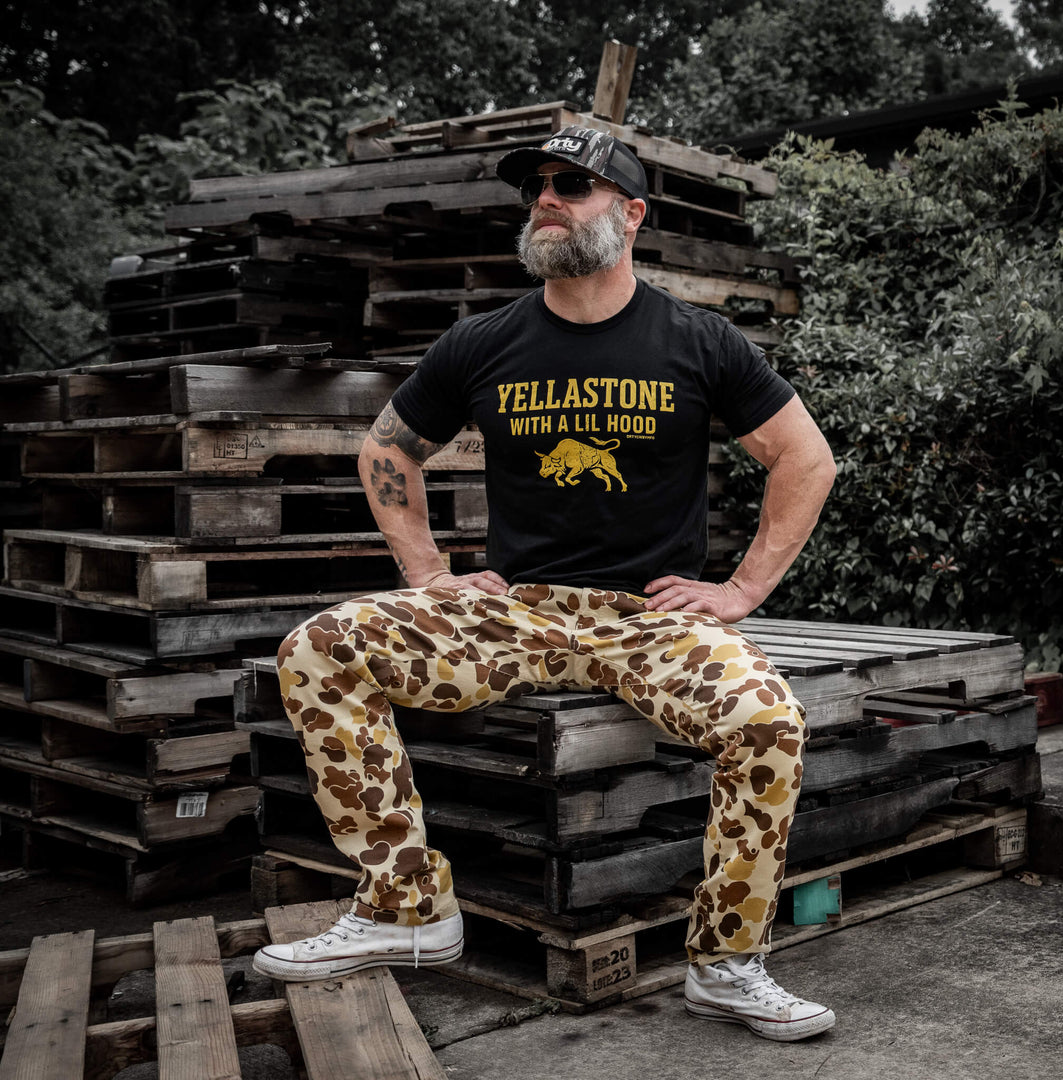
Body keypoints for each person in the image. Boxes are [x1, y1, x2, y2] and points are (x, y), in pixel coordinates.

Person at [254, 125, 838, 1042]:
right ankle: (408, 907)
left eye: (572, 184)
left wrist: (741, 591)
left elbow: (804, 458)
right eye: (537, 187)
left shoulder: (699, 340)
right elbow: (385, 450)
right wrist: (428, 574)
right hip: (516, 614)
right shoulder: (484, 341)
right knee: (318, 650)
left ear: (631, 214)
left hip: (648, 619)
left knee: (768, 722)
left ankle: (726, 963)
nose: (547, 200)